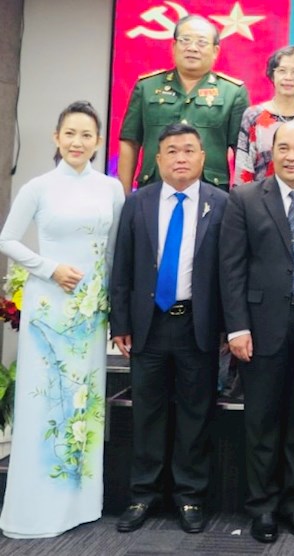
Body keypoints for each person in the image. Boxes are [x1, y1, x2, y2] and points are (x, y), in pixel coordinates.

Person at [0, 101, 124, 538]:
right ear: (57, 137)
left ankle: (79, 503)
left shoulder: (111, 188)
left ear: (97, 141)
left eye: (86, 135)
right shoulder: (38, 187)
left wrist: (114, 308)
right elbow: (7, 239)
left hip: (90, 314)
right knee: (45, 401)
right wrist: (48, 268)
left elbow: (116, 252)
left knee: (83, 403)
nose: (77, 142)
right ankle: (37, 507)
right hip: (48, 308)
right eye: (70, 133)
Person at [219, 121, 294, 544]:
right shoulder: (245, 198)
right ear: (271, 153)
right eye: (283, 147)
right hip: (260, 327)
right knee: (262, 423)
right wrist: (237, 327)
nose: (291, 156)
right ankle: (263, 507)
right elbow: (231, 268)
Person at [109, 123, 228, 534]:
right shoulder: (137, 203)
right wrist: (121, 322)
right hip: (149, 325)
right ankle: (143, 495)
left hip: (198, 323)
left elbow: (230, 272)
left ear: (203, 157)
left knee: (196, 414)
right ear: (157, 160)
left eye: (189, 150)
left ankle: (190, 496)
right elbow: (122, 267)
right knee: (147, 413)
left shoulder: (221, 203)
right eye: (172, 151)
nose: (181, 158)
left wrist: (228, 327)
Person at [118, 15, 248, 193]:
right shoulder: (147, 87)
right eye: (185, 40)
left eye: (201, 42)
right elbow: (130, 142)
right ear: (174, 46)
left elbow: (242, 153)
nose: (192, 48)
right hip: (154, 188)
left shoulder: (233, 92)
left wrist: (241, 201)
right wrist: (124, 195)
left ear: (215, 51)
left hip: (211, 192)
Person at [233, 46, 294, 186]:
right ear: (272, 75)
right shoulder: (253, 116)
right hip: (259, 196)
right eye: (282, 71)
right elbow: (244, 167)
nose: (288, 78)